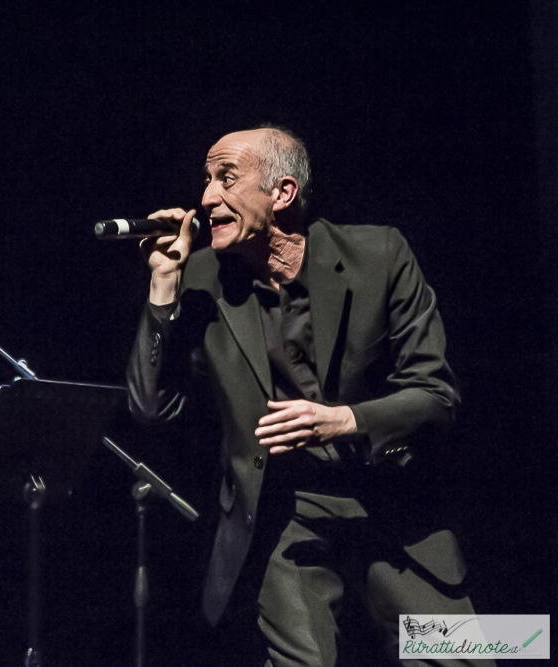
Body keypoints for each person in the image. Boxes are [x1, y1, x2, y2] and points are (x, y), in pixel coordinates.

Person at [127, 127, 489, 665]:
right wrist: (162, 286)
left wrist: (343, 420)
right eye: (206, 180)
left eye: (226, 178)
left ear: (283, 192)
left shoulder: (379, 252)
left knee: (475, 656)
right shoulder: (200, 277)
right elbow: (149, 408)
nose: (205, 198)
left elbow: (437, 393)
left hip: (393, 498)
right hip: (281, 511)